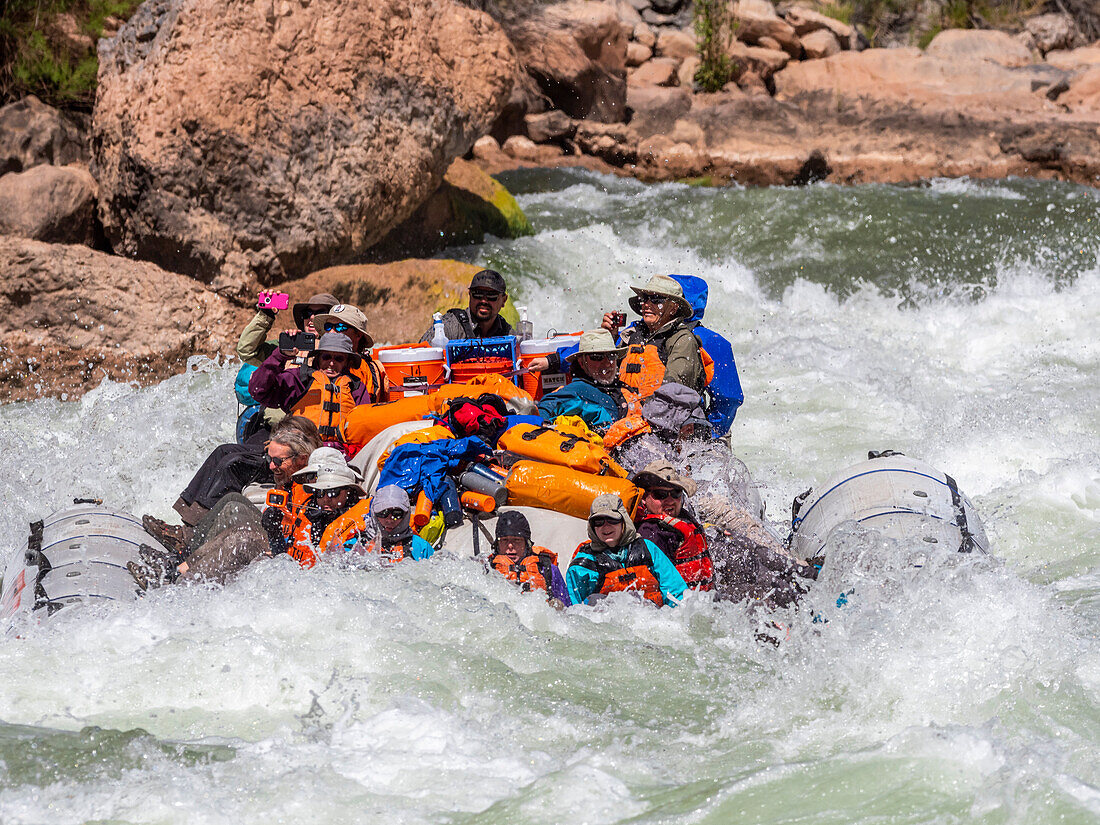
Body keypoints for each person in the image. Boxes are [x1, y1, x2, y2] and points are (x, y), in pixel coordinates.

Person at [144, 415, 323, 550]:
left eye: (276, 461)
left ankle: (187, 544)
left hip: (284, 541)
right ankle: (188, 532)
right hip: (281, 531)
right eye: (270, 459)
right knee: (225, 464)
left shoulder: (314, 476)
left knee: (233, 473)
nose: (271, 466)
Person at [249, 332, 376, 455]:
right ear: (318, 358)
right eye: (326, 357)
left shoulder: (356, 387)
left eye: (338, 358)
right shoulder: (299, 378)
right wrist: (280, 356)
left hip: (340, 454)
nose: (331, 363)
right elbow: (259, 391)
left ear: (347, 362)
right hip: (300, 450)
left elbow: (364, 428)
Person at [566, 493, 686, 607]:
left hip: (654, 620)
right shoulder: (583, 566)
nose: (606, 526)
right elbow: (576, 611)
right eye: (598, 522)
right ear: (592, 527)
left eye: (612, 519)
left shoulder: (648, 549)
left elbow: (677, 593)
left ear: (623, 521)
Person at [602, 274, 705, 401]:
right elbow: (604, 375)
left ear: (673, 308)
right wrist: (609, 338)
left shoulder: (682, 340)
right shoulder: (632, 335)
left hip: (659, 415)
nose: (647, 304)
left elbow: (673, 394)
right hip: (624, 410)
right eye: (645, 298)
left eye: (656, 299)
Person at [631, 462, 714, 592]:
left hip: (701, 599)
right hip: (682, 604)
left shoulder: (682, 517)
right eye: (660, 495)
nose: (670, 501)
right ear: (644, 497)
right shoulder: (651, 532)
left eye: (676, 493)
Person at [537, 329, 627, 432]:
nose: (607, 363)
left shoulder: (623, 387)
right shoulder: (579, 389)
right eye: (597, 357)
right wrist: (542, 424)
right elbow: (547, 405)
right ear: (582, 362)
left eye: (611, 356)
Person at [486, 510, 569, 606]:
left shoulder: (547, 569)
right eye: (504, 540)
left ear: (526, 544)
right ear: (497, 544)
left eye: (517, 540)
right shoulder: (487, 569)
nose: (510, 546)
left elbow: (569, 610)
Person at [310, 303, 387, 400]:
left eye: (340, 327)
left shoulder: (360, 368)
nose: (332, 332)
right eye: (328, 326)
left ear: (358, 335)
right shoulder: (319, 359)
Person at [420, 269, 513, 341]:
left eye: (491, 296)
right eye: (478, 294)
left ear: (504, 300)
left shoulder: (508, 333)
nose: (484, 301)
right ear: (470, 295)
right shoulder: (448, 327)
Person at [356, 485, 436, 563]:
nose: (390, 520)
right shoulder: (356, 544)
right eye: (383, 513)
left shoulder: (421, 547)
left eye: (397, 514)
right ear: (374, 514)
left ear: (406, 515)